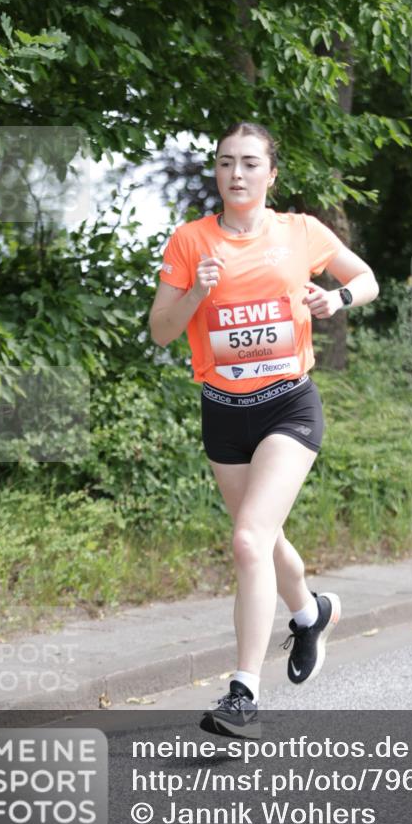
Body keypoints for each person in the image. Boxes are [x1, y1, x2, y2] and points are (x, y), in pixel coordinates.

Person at [149, 122, 379, 738]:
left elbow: (366, 278)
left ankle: (242, 692)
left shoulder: (301, 231)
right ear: (217, 173)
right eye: (226, 163)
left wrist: (340, 301)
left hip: (288, 407)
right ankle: (309, 614)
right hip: (223, 412)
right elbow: (162, 332)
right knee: (265, 541)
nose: (237, 174)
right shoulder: (190, 241)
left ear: (271, 174)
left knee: (250, 540)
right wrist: (196, 292)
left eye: (250, 163)